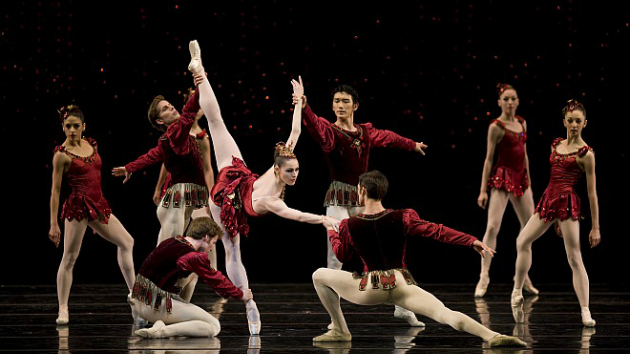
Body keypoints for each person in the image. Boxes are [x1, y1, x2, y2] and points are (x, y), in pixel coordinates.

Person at [187, 40, 339, 335]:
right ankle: (199, 71)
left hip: (239, 180)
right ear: (278, 169)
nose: (295, 174)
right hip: (224, 199)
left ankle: (199, 72)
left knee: (217, 124)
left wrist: (299, 102)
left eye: (297, 170)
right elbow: (295, 215)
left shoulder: (283, 160)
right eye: (290, 171)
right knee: (232, 251)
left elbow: (295, 132)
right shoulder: (272, 198)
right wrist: (322, 219)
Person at [312, 170, 526, 347]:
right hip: (402, 285)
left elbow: (341, 255)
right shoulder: (403, 217)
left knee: (319, 275)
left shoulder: (350, 224)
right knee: (445, 313)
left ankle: (340, 329)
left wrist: (332, 231)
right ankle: (493, 336)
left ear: (362, 191)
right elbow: (436, 230)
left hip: (368, 290)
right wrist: (470, 240)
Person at [292, 81, 427, 326]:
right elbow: (313, 125)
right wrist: (304, 105)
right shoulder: (330, 131)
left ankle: (403, 307)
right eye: (336, 101)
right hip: (338, 200)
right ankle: (335, 319)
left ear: (355, 105)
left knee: (387, 253)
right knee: (335, 259)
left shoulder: (365, 132)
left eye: (345, 101)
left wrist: (412, 144)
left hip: (365, 199)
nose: (340, 105)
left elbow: (388, 137)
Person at [112, 83, 211, 302]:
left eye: (170, 105)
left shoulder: (169, 138)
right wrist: (198, 84)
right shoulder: (177, 131)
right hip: (177, 199)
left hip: (180, 200)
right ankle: (149, 294)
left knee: (170, 252)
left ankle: (159, 298)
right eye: (166, 109)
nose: (172, 109)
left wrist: (131, 167)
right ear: (160, 120)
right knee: (171, 251)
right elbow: (189, 112)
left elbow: (152, 155)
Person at [511, 100, 600, 327]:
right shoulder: (555, 145)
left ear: (585, 123)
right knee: (522, 240)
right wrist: (553, 219)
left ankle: (585, 310)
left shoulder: (586, 154)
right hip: (548, 200)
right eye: (570, 120)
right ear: (564, 122)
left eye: (578, 121)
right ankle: (517, 291)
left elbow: (592, 194)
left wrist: (595, 227)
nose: (573, 125)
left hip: (568, 203)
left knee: (574, 257)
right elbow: (553, 177)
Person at [49, 105, 138, 325]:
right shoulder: (61, 155)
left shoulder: (91, 144)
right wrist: (53, 224)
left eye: (75, 126)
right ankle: (63, 308)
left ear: (83, 126)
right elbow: (56, 190)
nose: (71, 130)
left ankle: (135, 296)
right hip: (78, 208)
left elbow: (94, 175)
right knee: (69, 258)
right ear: (62, 127)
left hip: (98, 205)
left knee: (127, 242)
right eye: (67, 126)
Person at [130, 217, 252, 338]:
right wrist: (240, 294)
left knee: (192, 275)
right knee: (214, 326)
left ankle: (160, 321)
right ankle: (163, 330)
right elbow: (215, 278)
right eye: (213, 243)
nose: (210, 249)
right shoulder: (192, 256)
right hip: (153, 305)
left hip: (140, 299)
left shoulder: (172, 241)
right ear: (206, 237)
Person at [475, 83, 539, 298]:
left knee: (529, 228)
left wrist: (528, 178)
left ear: (518, 101)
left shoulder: (522, 123)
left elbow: (525, 154)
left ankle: (523, 275)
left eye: (514, 98)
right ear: (500, 102)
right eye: (507, 99)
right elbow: (488, 158)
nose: (510, 102)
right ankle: (484, 274)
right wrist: (483, 190)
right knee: (493, 226)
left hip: (521, 178)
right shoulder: (496, 126)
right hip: (502, 178)